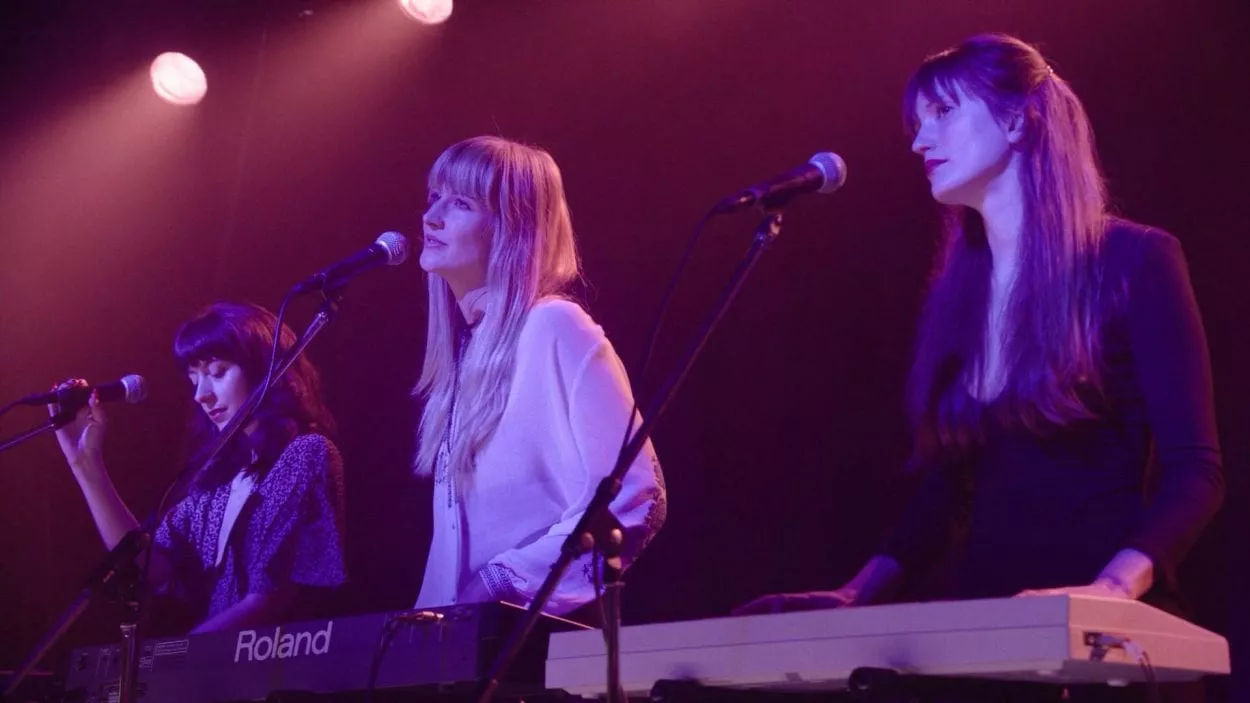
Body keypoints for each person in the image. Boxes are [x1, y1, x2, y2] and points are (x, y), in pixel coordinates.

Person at [738, 33, 1224, 699]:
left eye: (942, 114)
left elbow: (1196, 471)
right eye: (916, 123)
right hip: (986, 640)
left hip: (1106, 649)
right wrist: (860, 589)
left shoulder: (1135, 261)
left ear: (1018, 117)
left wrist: (1111, 589)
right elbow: (950, 484)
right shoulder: (958, 292)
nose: (918, 142)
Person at [411, 135, 667, 616]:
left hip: (531, 648)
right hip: (457, 651)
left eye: (461, 202)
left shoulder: (555, 327)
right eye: (433, 197)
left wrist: (504, 579)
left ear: (512, 228)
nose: (432, 216)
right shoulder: (465, 358)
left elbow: (638, 496)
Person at [52, 301, 347, 633]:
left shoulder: (304, 454)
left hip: (272, 675)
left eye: (217, 373)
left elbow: (266, 601)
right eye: (194, 379)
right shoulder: (216, 478)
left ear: (265, 370)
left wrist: (173, 662)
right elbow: (151, 567)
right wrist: (87, 467)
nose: (201, 395)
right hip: (213, 672)